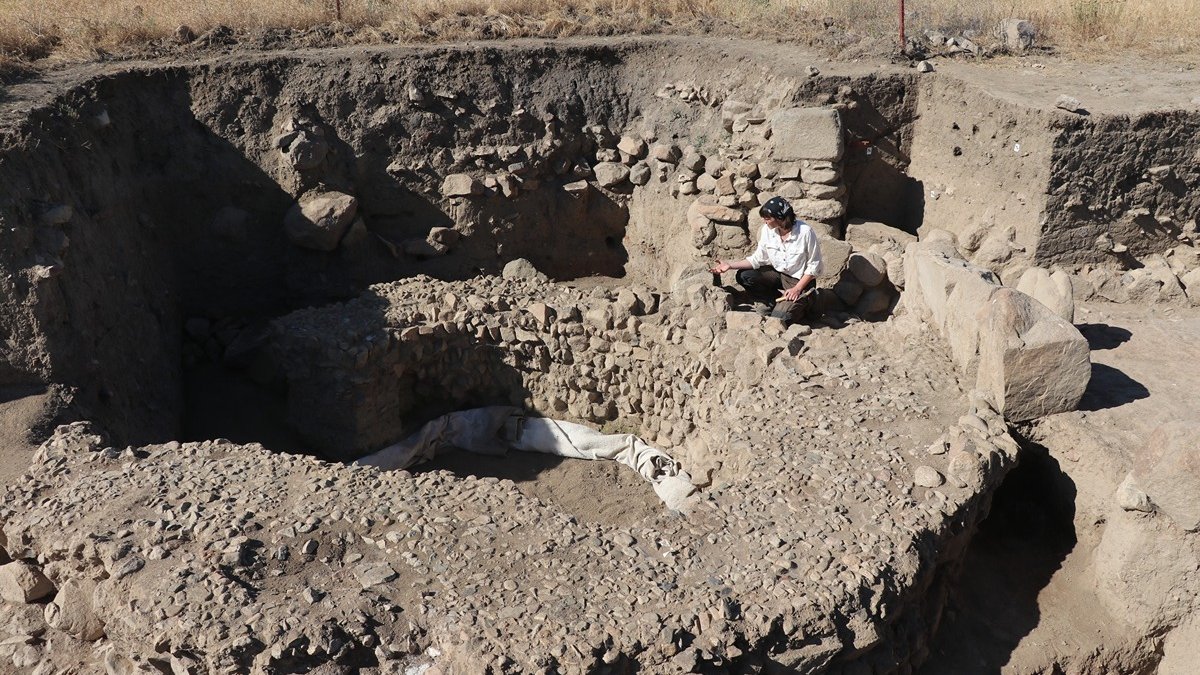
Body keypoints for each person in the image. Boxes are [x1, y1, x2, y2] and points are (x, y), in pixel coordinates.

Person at [709, 196, 823, 324]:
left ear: (780, 218)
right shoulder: (768, 231)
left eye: (767, 218)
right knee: (745, 275)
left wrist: (797, 289)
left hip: (800, 281)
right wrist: (730, 265)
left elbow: (814, 267)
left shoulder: (805, 232)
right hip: (779, 274)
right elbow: (757, 259)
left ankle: (808, 302)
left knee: (780, 318)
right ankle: (771, 302)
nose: (764, 221)